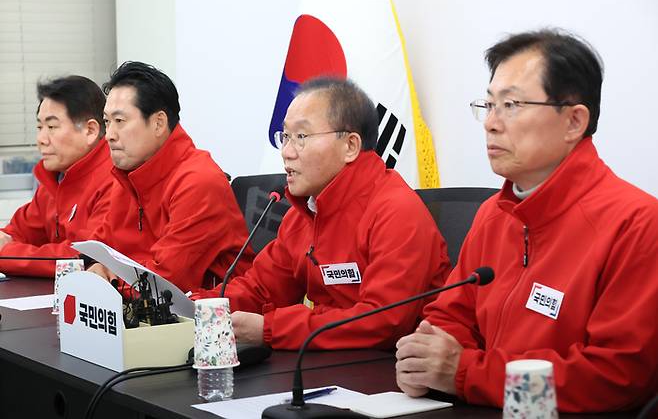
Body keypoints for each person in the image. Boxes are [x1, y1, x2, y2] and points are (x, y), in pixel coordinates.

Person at [395, 29, 658, 412]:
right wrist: (426, 361)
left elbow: (613, 378)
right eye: (488, 106)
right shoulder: (494, 213)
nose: (491, 123)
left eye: (512, 105)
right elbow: (449, 315)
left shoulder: (636, 223)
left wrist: (465, 372)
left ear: (574, 122)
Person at [196, 77, 452, 350]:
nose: (286, 152)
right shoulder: (305, 212)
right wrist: (195, 309)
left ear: (351, 146)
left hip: (391, 372)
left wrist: (272, 328)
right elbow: (260, 288)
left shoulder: (396, 211)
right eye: (285, 137)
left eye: (301, 137)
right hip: (327, 362)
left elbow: (383, 321)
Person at [87, 61, 253, 293]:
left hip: (206, 319)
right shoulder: (128, 175)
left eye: (120, 121)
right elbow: (100, 249)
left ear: (158, 123)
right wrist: (96, 268)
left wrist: (108, 283)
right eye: (107, 122)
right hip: (146, 315)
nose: (109, 135)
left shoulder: (198, 181)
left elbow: (165, 284)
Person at [0, 76, 112, 278]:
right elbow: (18, 231)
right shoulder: (56, 177)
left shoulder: (114, 179)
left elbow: (83, 257)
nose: (41, 139)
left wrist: (6, 254)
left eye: (51, 127)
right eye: (39, 127)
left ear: (90, 130)